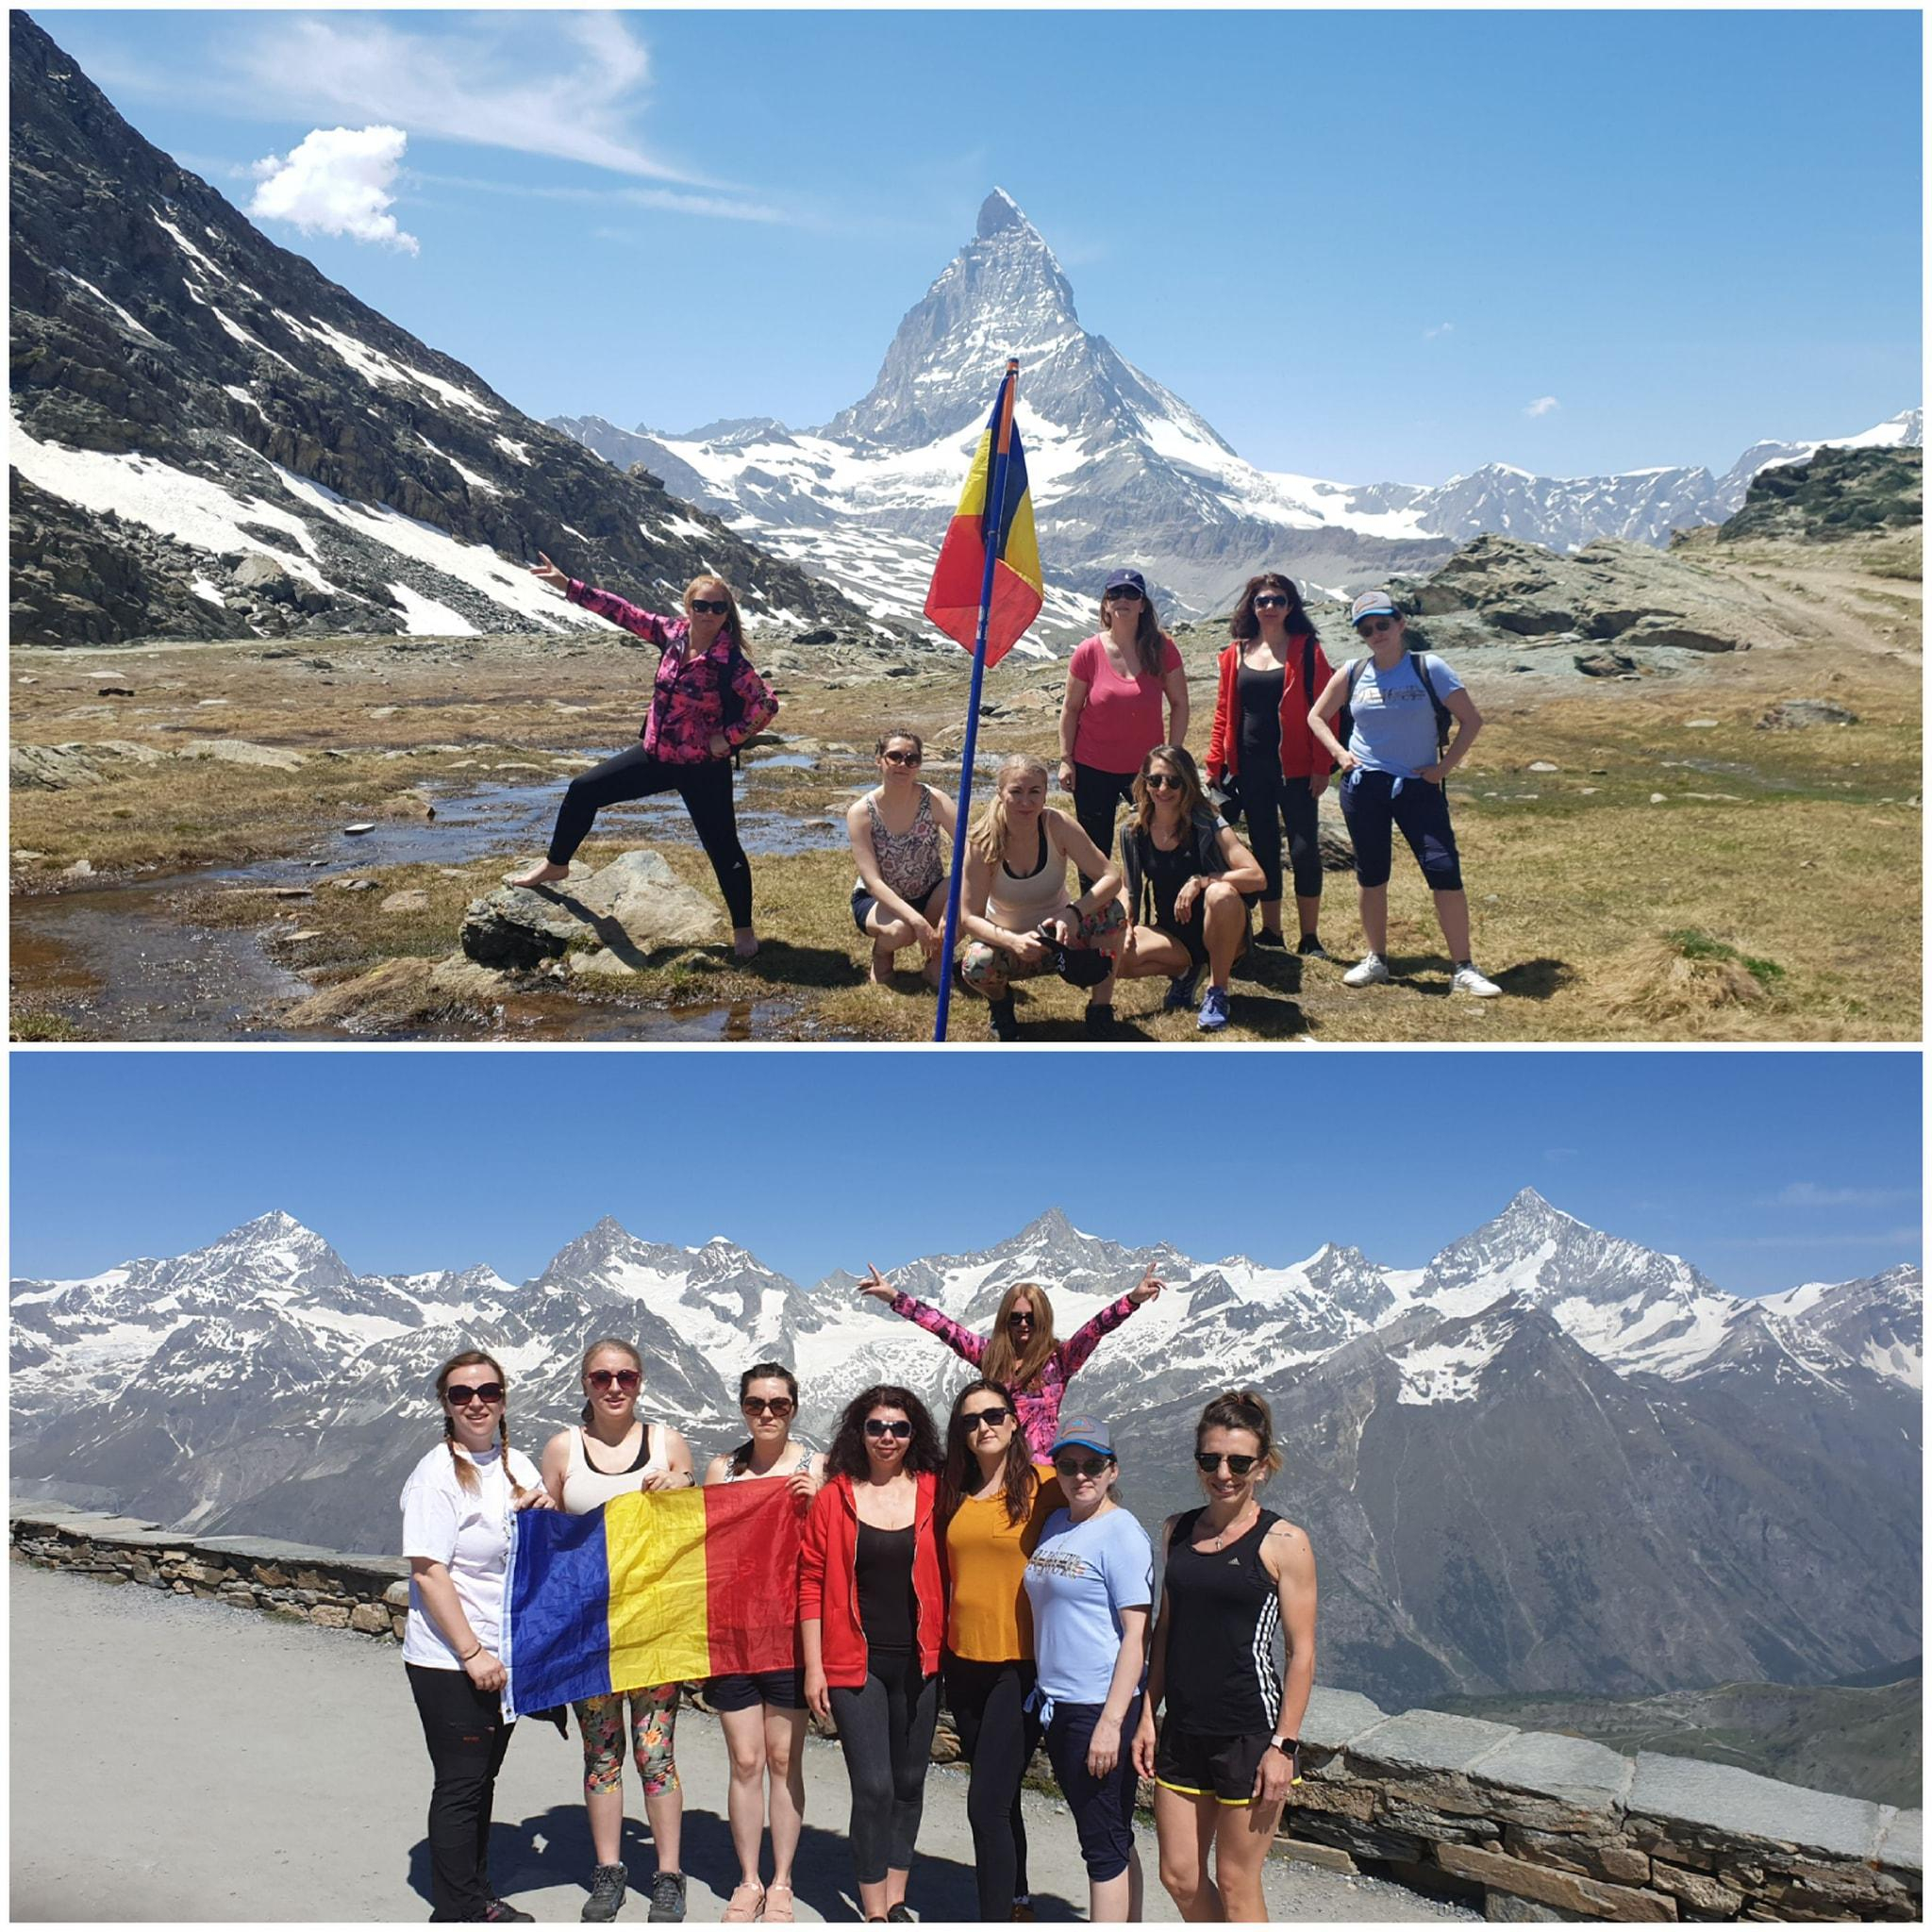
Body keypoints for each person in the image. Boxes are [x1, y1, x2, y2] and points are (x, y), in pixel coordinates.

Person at [513, 556, 777, 959]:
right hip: (654, 756)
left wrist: (729, 738)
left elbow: (765, 704)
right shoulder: (669, 633)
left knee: (723, 848)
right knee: (583, 790)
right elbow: (622, 611)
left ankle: (743, 931)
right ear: (687, 608)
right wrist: (568, 586)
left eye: (718, 607)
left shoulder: (731, 662)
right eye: (701, 606)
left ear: (728, 614)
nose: (708, 614)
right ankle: (557, 864)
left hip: (703, 769)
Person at [1132, 1391, 1317, 1924]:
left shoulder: (1285, 1542)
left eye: (1239, 1462)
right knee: (1180, 1876)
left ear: (1262, 1466)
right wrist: (1149, 1713)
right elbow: (1166, 1631)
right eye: (1210, 1459)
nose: (1223, 1473)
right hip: (1185, 1729)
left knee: (1237, 1883)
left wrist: (1284, 1745)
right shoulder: (1178, 1531)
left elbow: (1301, 1653)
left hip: (1250, 1734)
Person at [539, 1341, 698, 1924]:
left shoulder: (666, 1443)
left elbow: (696, 1531)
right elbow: (546, 1536)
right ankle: (609, 1870)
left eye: (625, 1376)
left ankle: (668, 1873)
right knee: (601, 1752)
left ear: (640, 1380)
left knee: (657, 1753)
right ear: (584, 1383)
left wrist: (684, 1490)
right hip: (589, 1631)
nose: (614, 1386)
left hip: (653, 1629)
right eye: (602, 1376)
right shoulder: (563, 1449)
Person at [401, 1350, 555, 1924]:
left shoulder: (515, 1465)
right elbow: (428, 1571)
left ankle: (473, 1893)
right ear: (445, 1404)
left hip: (503, 1653)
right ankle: (459, 1909)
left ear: (503, 1398)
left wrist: (544, 1511)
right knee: (462, 1784)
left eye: (487, 1392)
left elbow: (539, 1541)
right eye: (461, 1394)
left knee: (481, 1780)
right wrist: (471, 1653)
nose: (476, 1403)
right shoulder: (436, 1474)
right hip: (450, 1658)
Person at [799, 1386, 946, 1924]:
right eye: (877, 1427)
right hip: (853, 1661)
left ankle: (897, 1898)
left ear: (915, 1435)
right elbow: (811, 1579)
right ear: (858, 1433)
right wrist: (814, 1665)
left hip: (922, 1660)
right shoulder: (835, 1496)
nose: (888, 1437)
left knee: (909, 1783)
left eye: (900, 1428)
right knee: (875, 1786)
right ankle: (873, 1910)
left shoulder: (934, 1491)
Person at [1307, 591, 1502, 998]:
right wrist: (1341, 755)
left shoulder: (1429, 668)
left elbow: (1472, 719)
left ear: (1400, 624)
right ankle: (1376, 958)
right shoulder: (1354, 672)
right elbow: (1316, 716)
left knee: (1443, 869)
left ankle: (1463, 966)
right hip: (1365, 786)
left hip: (1418, 786)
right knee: (1372, 872)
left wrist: (1442, 770)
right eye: (1366, 628)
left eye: (1382, 624)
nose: (1375, 634)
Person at [701, 1363, 827, 1926]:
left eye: (778, 1404)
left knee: (783, 1758)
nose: (767, 1414)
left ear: (794, 1407)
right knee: (745, 1759)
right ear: (743, 1408)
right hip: (733, 1635)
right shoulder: (720, 1469)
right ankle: (748, 1878)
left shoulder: (816, 1466)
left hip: (790, 1634)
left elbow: (836, 1541)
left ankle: (782, 1881)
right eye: (756, 1405)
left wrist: (819, 1500)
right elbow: (700, 1547)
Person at [938, 1380, 1063, 1922]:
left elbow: (1100, 1522)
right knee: (1002, 1793)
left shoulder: (1048, 1485)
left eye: (993, 1415)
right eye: (970, 1420)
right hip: (962, 1663)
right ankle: (1015, 1900)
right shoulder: (953, 1490)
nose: (982, 1426)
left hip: (1021, 1666)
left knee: (984, 1804)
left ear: (1015, 1422)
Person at [1023, 1416, 1155, 1924]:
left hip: (1095, 1706)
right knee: (1112, 1832)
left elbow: (1136, 1639)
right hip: (1058, 1703)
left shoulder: (1121, 1534)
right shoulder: (1059, 1524)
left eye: (1093, 1465)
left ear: (1112, 1470)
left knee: (1099, 1847)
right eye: (1069, 1464)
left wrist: (1111, 1722)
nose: (1081, 1475)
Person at [856, 1265, 1163, 1462]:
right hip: (992, 1467)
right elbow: (943, 1327)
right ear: (1006, 1319)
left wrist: (1132, 1301)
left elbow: (1095, 1329)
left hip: (1038, 1473)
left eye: (1032, 1317)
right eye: (1016, 1317)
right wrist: (895, 1297)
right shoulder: (989, 1357)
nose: (1024, 1323)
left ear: (1043, 1318)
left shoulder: (1060, 1360)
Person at [1205, 574, 1337, 958]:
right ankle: (1272, 930)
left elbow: (1327, 711)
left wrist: (1321, 765)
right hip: (1249, 767)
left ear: (1290, 606)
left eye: (1278, 600)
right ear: (1252, 606)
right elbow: (1223, 711)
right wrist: (1216, 761)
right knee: (1262, 848)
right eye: (1262, 601)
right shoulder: (1236, 653)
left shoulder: (1307, 650)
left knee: (1303, 848)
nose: (1270, 607)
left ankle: (1310, 937)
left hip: (1296, 768)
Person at [957, 754, 1127, 1041]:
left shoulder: (1056, 824)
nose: (1026, 802)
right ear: (1000, 793)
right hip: (1010, 944)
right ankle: (1001, 1005)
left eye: (1034, 792)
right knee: (976, 964)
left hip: (1062, 940)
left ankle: (1100, 1009)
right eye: (1016, 792)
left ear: (1046, 794)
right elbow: (969, 918)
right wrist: (1012, 941)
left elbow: (1111, 877)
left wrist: (1072, 914)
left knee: (1111, 911)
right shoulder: (982, 841)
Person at [1113, 745, 1266, 1034]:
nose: (1163, 789)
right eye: (1155, 780)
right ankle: (1186, 971)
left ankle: (1217, 991)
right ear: (1144, 782)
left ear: (1187, 783)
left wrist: (1202, 880)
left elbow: (1257, 877)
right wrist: (1126, 925)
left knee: (1220, 893)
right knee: (1114, 958)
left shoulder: (1208, 822)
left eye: (1174, 781)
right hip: (1172, 933)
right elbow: (1128, 889)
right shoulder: (1134, 830)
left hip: (1223, 929)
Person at [1058, 570, 1190, 887]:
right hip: (1092, 767)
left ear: (1143, 604)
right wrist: (1066, 758)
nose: (1122, 600)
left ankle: (1160, 916)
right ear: (1105, 605)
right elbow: (1071, 707)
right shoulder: (1088, 651)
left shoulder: (1162, 648)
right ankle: (1092, 921)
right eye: (1114, 594)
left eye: (1131, 594)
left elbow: (1180, 704)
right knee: (1093, 849)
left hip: (1146, 772)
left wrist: (1171, 757)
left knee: (1155, 842)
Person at [847, 730, 958, 989]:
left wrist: (948, 913)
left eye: (911, 759)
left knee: (965, 896)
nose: (902, 765)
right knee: (901, 931)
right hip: (878, 899)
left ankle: (935, 963)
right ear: (879, 760)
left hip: (929, 891)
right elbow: (872, 882)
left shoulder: (936, 800)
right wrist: (917, 921)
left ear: (919, 764)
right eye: (894, 756)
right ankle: (882, 953)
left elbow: (972, 851)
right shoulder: (861, 813)